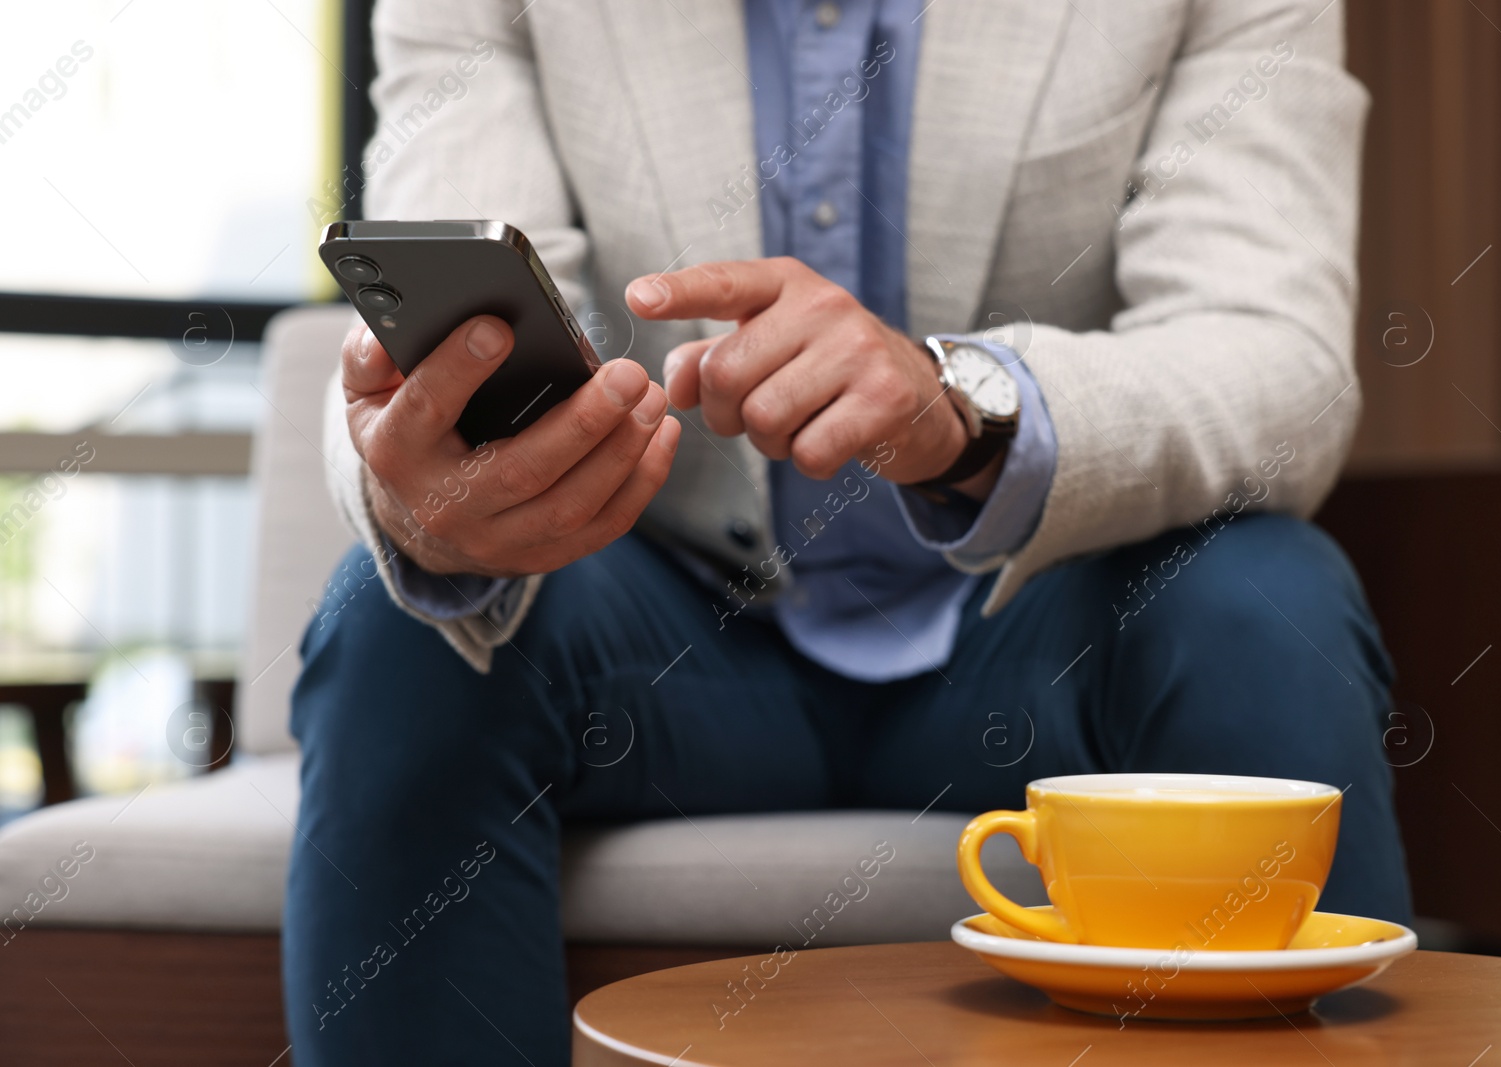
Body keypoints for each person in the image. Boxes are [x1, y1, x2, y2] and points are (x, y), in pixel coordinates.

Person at [284, 0, 1407, 1062]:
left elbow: (1278, 361)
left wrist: (959, 403)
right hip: (665, 637)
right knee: (391, 619)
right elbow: (422, 337)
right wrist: (423, 494)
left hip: (1044, 625)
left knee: (1267, 599)